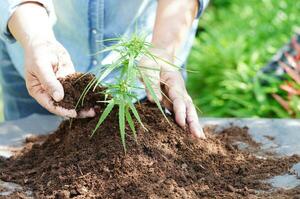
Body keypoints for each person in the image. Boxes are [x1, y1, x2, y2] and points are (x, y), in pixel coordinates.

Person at [0, 0, 208, 138]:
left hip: (150, 61)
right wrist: (36, 39)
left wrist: (163, 50)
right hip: (36, 50)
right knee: (27, 145)